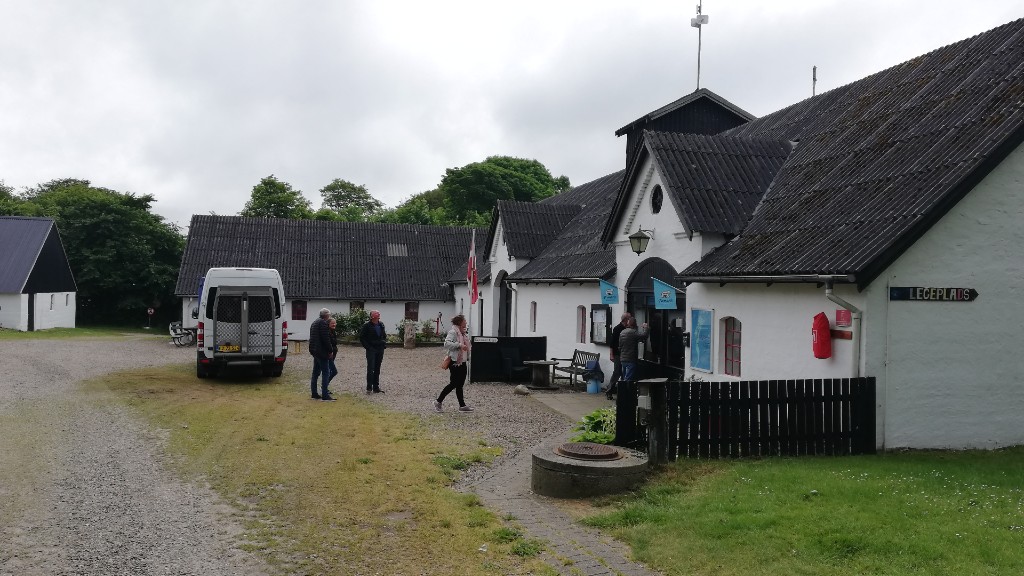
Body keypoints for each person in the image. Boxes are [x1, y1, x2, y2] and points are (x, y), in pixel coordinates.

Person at [435, 314, 473, 412]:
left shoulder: (463, 333)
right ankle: (438, 402)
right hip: (455, 362)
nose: (466, 322)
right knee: (453, 384)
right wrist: (459, 345)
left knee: (460, 384)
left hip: (463, 362)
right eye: (464, 321)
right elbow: (446, 343)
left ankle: (462, 406)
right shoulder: (453, 332)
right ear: (460, 322)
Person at [309, 308, 335, 401]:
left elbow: (312, 338)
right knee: (326, 373)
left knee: (315, 373)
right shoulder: (323, 323)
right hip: (322, 352)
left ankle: (314, 393)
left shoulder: (314, 322)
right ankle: (325, 395)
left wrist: (312, 350)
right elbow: (326, 339)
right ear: (327, 315)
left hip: (315, 351)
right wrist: (330, 350)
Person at [359, 310, 387, 393]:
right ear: (372, 316)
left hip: (380, 349)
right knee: (371, 368)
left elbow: (384, 335)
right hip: (371, 349)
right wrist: (368, 347)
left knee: (377, 368)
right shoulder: (366, 326)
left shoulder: (381, 324)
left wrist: (383, 344)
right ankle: (369, 387)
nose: (378, 315)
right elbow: (362, 338)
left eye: (379, 314)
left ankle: (376, 387)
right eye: (377, 314)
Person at [605, 312, 632, 399]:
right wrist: (611, 355)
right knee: (617, 372)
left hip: (625, 354)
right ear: (626, 320)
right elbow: (612, 343)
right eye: (629, 318)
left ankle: (622, 392)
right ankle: (609, 391)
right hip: (617, 354)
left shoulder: (629, 329)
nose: (631, 320)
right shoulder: (617, 329)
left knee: (624, 373)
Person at [618, 317, 648, 384]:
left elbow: (619, 346)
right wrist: (645, 328)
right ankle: (626, 393)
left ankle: (622, 392)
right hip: (630, 359)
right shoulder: (633, 332)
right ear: (635, 324)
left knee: (624, 377)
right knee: (628, 379)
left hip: (623, 358)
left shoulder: (622, 332)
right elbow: (644, 336)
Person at [327, 317, 339, 389]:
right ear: (328, 324)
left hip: (333, 354)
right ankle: (323, 387)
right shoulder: (327, 332)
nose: (334, 324)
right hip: (329, 355)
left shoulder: (333, 332)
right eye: (332, 323)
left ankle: (325, 387)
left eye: (335, 323)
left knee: (329, 371)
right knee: (333, 371)